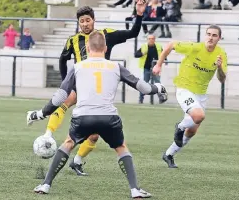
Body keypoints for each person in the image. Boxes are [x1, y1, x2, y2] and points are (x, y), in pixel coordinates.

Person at [27, 31, 168, 197]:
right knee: (121, 147)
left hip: (83, 117)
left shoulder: (78, 67)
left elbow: (60, 97)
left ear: (87, 47)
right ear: (106, 48)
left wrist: (40, 114)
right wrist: (159, 87)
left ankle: (45, 185)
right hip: (109, 118)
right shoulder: (116, 67)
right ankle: (135, 190)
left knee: (69, 143)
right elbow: (144, 88)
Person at [40, 1, 146, 176]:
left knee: (94, 134)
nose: (84, 24)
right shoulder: (73, 40)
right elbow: (62, 59)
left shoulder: (105, 36)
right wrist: (65, 83)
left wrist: (140, 14)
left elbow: (133, 32)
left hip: (98, 89)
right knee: (64, 101)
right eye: (81, 21)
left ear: (94, 20)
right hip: (79, 85)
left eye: (87, 20)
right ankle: (47, 135)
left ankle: (77, 161)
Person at [152, 25, 228, 168]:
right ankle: (179, 127)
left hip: (201, 94)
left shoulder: (221, 54)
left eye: (214, 35)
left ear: (219, 38)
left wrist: (219, 67)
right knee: (198, 116)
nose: (211, 38)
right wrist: (159, 65)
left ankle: (168, 154)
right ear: (205, 36)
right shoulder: (195, 47)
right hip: (184, 88)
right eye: (209, 34)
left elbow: (222, 79)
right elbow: (170, 45)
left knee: (192, 131)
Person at [135, 34, 163, 104]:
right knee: (144, 84)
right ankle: (141, 99)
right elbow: (136, 55)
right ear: (147, 39)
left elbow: (163, 54)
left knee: (158, 84)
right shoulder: (144, 46)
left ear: (154, 39)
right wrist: (142, 53)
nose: (151, 40)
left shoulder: (159, 46)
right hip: (147, 68)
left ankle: (161, 99)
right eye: (149, 39)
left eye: (152, 38)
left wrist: (164, 60)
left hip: (155, 69)